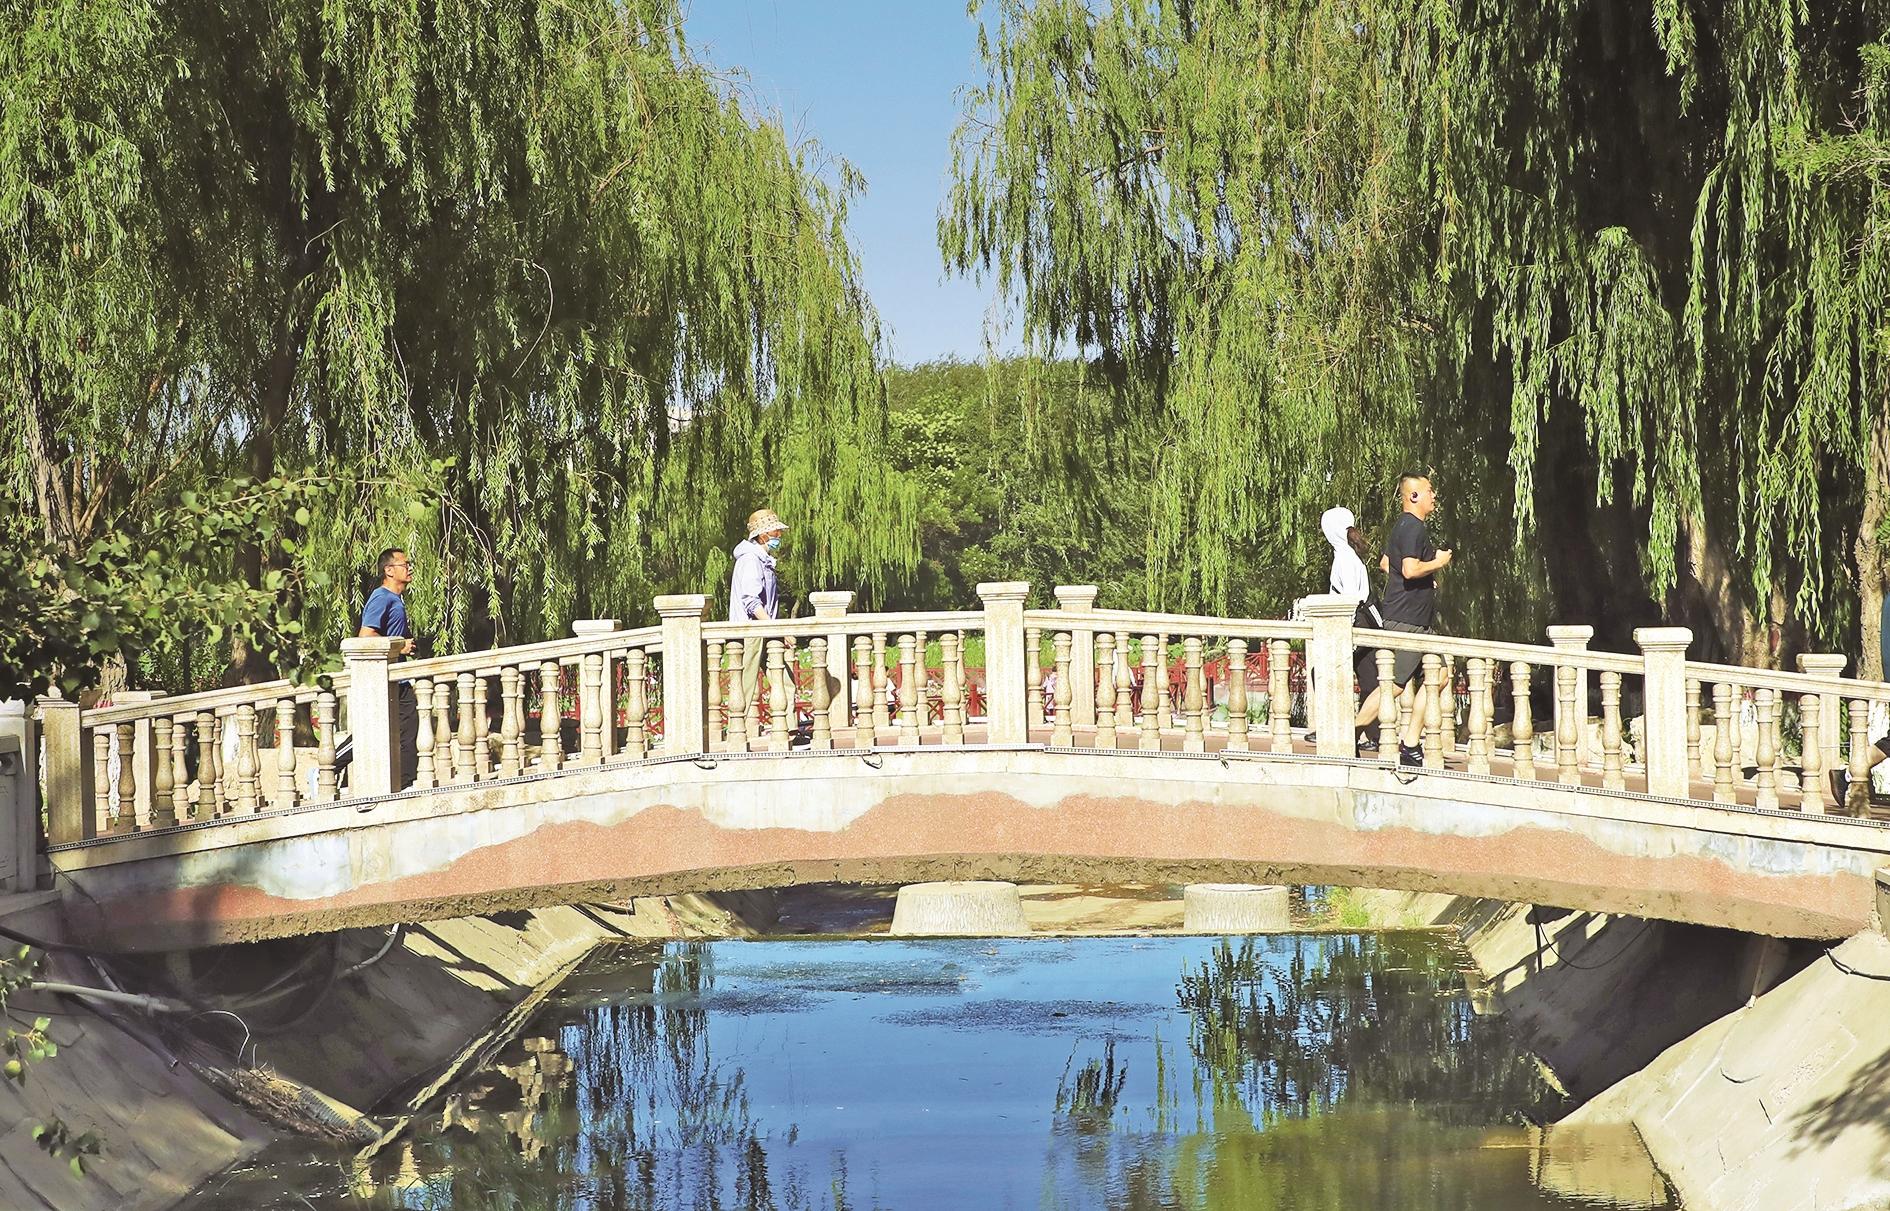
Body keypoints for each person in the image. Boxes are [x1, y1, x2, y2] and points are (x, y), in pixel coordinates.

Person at [1382, 473, 1453, 767]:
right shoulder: (1413, 527)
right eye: (1429, 491)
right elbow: (1409, 570)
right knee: (1396, 685)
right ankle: (1350, 727)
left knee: (1441, 674)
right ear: (1414, 496)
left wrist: (1424, 581)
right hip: (1408, 619)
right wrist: (1438, 563)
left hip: (1415, 619)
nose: (1434, 496)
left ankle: (1411, 742)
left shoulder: (1402, 525)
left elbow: (1387, 564)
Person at [1320, 505, 1386, 750]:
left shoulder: (1345, 559)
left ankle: (1335, 727)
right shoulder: (1347, 556)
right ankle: (1374, 735)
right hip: (1365, 624)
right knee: (1369, 679)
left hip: (1354, 625)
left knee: (1327, 673)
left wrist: (1343, 633)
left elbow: (1350, 600)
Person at [358, 547, 419, 788]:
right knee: (377, 733)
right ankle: (328, 767)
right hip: (383, 679)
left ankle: (405, 783)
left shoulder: (395, 599)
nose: (410, 568)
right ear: (389, 570)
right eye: (405, 564)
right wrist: (399, 647)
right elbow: (365, 637)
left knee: (403, 730)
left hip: (397, 677)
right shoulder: (381, 597)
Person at [730, 508, 788, 718]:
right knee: (746, 682)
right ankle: (737, 726)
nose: (779, 536)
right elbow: (751, 602)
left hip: (764, 628)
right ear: (763, 535)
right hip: (752, 631)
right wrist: (775, 628)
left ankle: (789, 727)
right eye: (775, 532)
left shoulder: (762, 559)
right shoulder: (750, 560)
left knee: (784, 679)